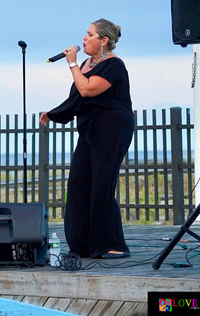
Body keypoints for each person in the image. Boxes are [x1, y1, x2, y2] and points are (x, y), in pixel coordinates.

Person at [39, 19, 133, 259]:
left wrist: (70, 64)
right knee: (79, 185)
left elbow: (88, 89)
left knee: (102, 186)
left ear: (104, 41)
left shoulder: (114, 66)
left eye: (90, 35)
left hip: (112, 129)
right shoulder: (86, 64)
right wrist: (54, 113)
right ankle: (84, 244)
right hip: (90, 130)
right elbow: (77, 99)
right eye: (85, 34)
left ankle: (114, 245)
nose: (84, 38)